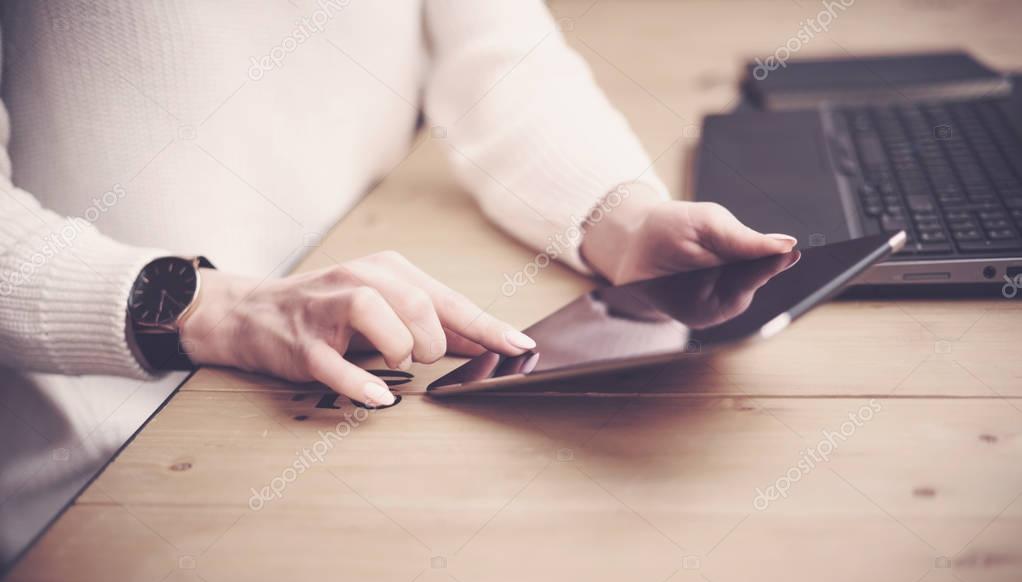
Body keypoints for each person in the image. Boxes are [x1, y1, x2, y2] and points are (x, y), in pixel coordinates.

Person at [0, 0, 795, 408]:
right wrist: (217, 309)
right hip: (109, 436)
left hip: (353, 354)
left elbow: (497, 56)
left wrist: (619, 218)